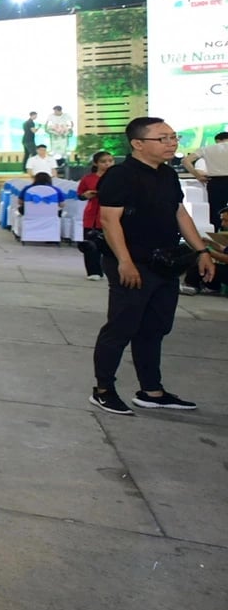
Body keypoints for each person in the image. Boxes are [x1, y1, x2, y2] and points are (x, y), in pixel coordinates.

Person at [90, 117, 218, 416]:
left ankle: (151, 391)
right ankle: (103, 389)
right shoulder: (120, 176)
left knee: (154, 328)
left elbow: (180, 214)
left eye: (174, 137)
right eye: (163, 138)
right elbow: (109, 221)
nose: (172, 142)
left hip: (165, 263)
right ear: (138, 144)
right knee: (121, 327)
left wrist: (202, 250)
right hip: (132, 263)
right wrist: (125, 261)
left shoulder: (167, 175)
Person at [76, 150, 114, 279]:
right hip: (92, 214)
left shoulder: (118, 178)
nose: (107, 164)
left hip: (111, 214)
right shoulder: (88, 179)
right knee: (91, 244)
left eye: (110, 161)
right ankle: (94, 271)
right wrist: (86, 195)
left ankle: (110, 270)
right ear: (96, 163)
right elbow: (80, 194)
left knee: (111, 244)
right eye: (103, 162)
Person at [187, 130, 228, 233]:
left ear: (217, 140)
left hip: (216, 182)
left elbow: (185, 161)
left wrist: (197, 175)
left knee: (215, 211)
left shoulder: (207, 149)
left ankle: (217, 236)